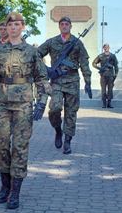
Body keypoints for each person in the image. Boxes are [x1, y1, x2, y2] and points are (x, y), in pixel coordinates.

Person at [0, 12, 50, 210]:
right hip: (1, 103)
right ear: (6, 28)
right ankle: (5, 185)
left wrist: (42, 103)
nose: (13, 28)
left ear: (23, 27)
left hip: (23, 106)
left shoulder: (32, 52)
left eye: (17, 24)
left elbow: (42, 79)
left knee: (19, 148)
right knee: (0, 145)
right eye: (10, 25)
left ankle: (15, 191)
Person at [38, 16, 91, 155]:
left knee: (71, 113)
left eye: (67, 24)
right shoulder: (52, 42)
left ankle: (67, 141)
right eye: (62, 24)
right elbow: (36, 55)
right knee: (54, 108)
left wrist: (88, 81)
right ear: (59, 26)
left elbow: (84, 62)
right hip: (56, 81)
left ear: (71, 26)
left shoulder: (77, 43)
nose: (64, 26)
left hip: (73, 81)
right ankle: (58, 130)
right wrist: (46, 69)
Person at [92, 43, 119, 108]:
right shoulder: (100, 56)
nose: (106, 48)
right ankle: (104, 104)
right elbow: (93, 63)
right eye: (105, 47)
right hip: (103, 75)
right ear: (103, 48)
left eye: (107, 47)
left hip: (110, 75)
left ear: (109, 48)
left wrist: (115, 74)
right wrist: (100, 68)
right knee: (103, 90)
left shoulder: (113, 56)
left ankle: (109, 103)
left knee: (110, 90)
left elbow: (116, 66)